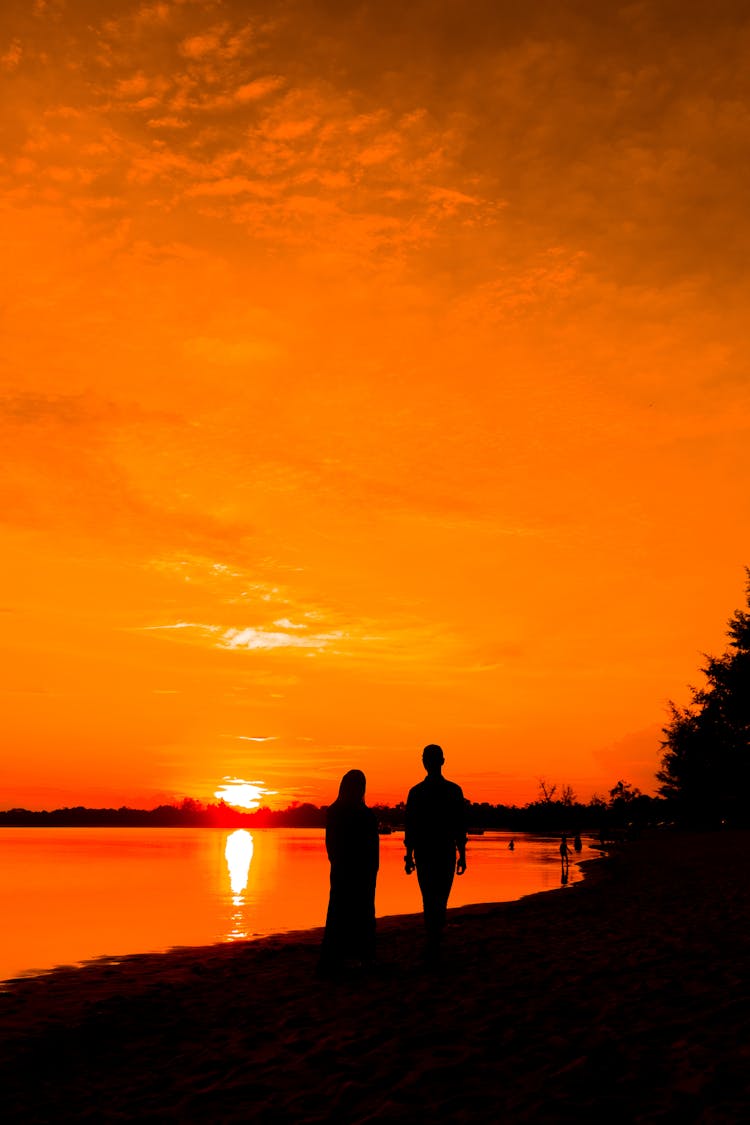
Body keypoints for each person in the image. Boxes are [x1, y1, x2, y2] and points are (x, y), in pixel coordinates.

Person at [404, 744, 467, 962]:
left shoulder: (421, 792)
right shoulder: (449, 791)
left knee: (432, 897)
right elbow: (411, 826)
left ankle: (434, 940)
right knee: (436, 898)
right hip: (436, 852)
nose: (428, 763)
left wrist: (409, 855)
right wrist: (408, 855)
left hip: (433, 852)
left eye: (429, 759)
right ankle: (434, 939)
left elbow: (458, 826)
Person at [318, 770, 379, 978]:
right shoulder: (345, 812)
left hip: (354, 872)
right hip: (350, 871)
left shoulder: (356, 813)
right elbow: (332, 845)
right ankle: (352, 958)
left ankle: (353, 958)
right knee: (348, 913)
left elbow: (333, 845)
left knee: (348, 913)